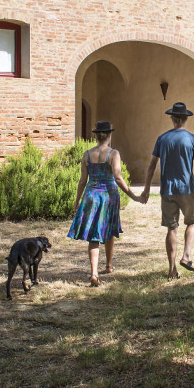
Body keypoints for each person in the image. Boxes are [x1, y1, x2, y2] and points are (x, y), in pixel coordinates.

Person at [68, 121, 141, 286]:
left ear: (95, 136)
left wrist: (77, 200)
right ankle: (108, 266)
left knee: (94, 234)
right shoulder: (114, 153)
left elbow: (82, 181)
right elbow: (118, 177)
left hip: (91, 195)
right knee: (108, 229)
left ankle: (94, 273)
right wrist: (133, 195)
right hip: (108, 195)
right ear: (109, 135)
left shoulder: (87, 155)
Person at [140, 102, 194, 278]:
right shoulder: (192, 139)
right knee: (191, 222)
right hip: (187, 188)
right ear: (185, 119)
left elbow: (152, 164)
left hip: (168, 189)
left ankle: (171, 270)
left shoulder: (162, 139)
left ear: (172, 118)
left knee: (171, 228)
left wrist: (146, 189)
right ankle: (186, 256)